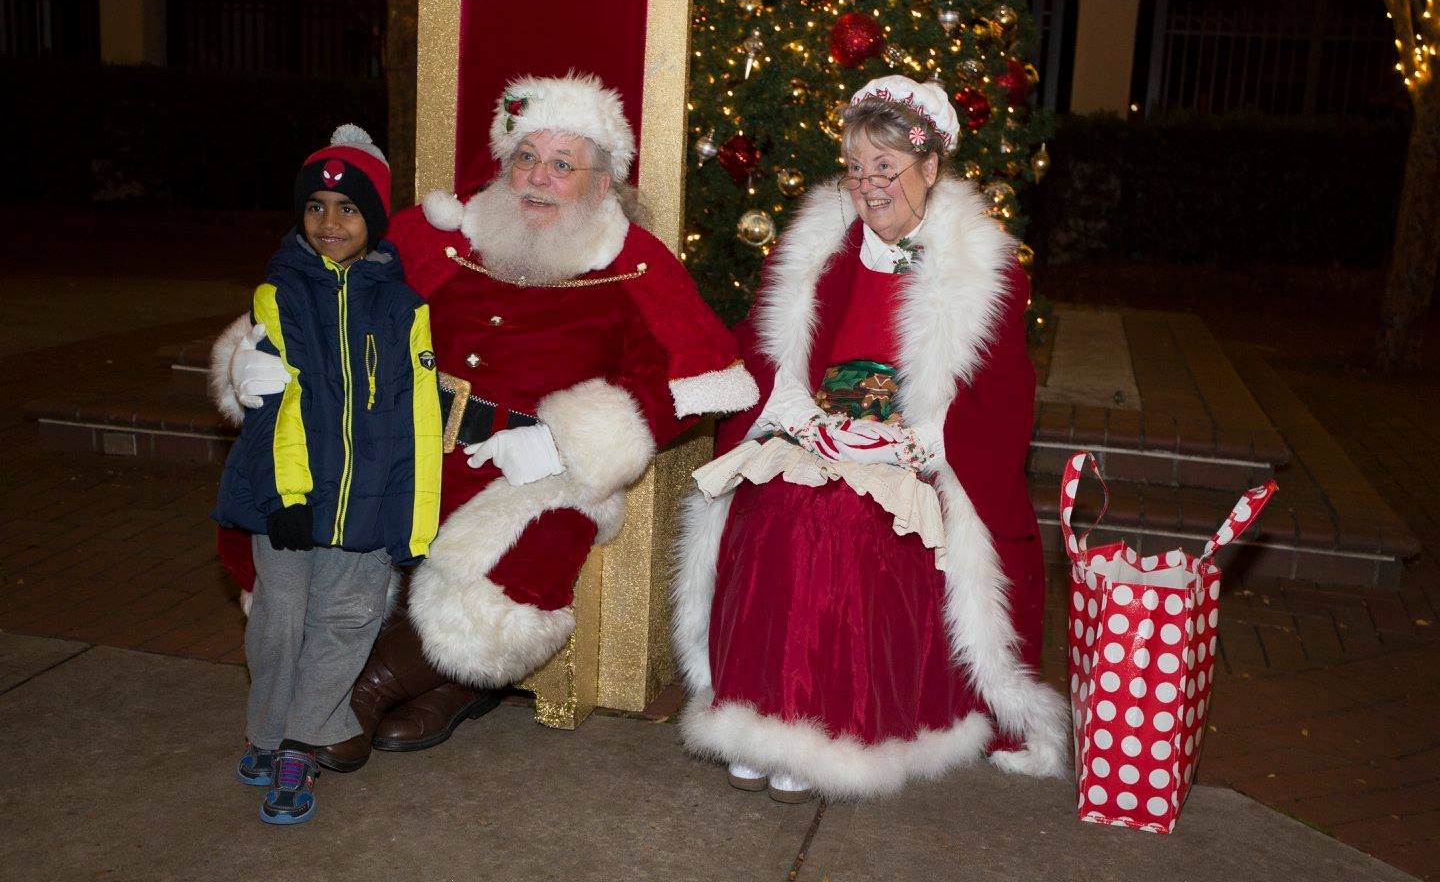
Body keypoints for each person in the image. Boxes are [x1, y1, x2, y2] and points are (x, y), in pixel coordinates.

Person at [214, 73, 758, 770]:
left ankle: (366, 690)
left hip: (532, 467)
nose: (538, 178)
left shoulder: (635, 265)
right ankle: (431, 689)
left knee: (512, 567)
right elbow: (323, 284)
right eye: (526, 157)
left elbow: (684, 382)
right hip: (397, 438)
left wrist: (564, 441)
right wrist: (257, 360)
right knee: (310, 521)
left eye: (563, 165)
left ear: (601, 183)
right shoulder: (444, 233)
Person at [671, 75, 1067, 803]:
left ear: (932, 167)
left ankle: (830, 730)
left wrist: (915, 442)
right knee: (772, 506)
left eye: (885, 167)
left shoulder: (987, 270)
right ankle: (757, 715)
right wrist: (800, 416)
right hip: (816, 434)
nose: (867, 185)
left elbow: (1001, 400)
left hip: (916, 456)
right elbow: (767, 349)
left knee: (846, 525)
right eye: (855, 167)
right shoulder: (817, 246)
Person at [214, 125, 442, 824]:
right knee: (280, 622)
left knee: (344, 623)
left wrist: (417, 518)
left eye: (346, 209)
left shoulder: (405, 310)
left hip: (370, 511)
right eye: (314, 207)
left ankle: (300, 748)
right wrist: (287, 494)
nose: (329, 222)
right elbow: (277, 407)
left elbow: (420, 421)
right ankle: (265, 730)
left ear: (373, 219)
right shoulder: (278, 295)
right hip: (289, 499)